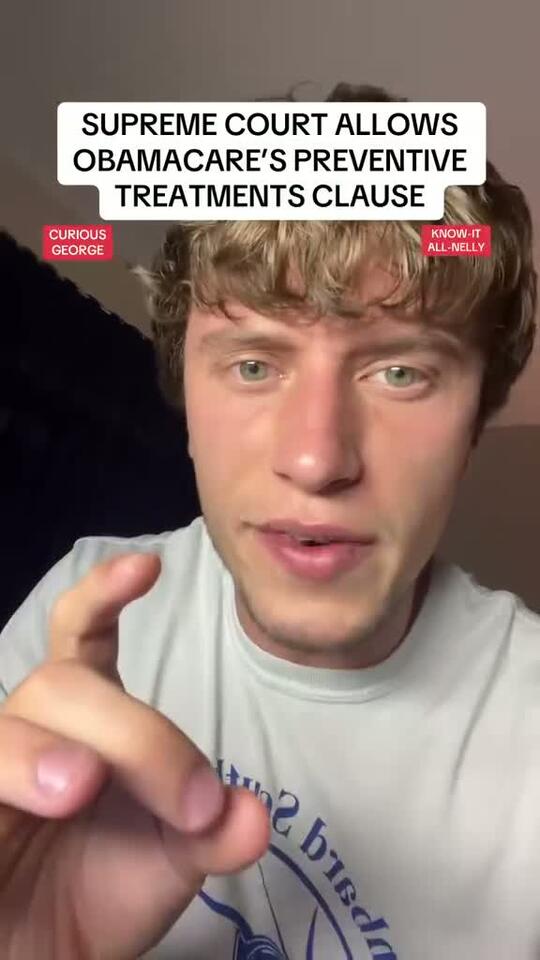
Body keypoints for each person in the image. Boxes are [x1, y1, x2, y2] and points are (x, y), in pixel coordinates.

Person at [0, 83, 537, 959]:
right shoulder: (81, 606)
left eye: (400, 373)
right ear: (185, 395)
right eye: (254, 365)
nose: (317, 460)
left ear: (475, 422)